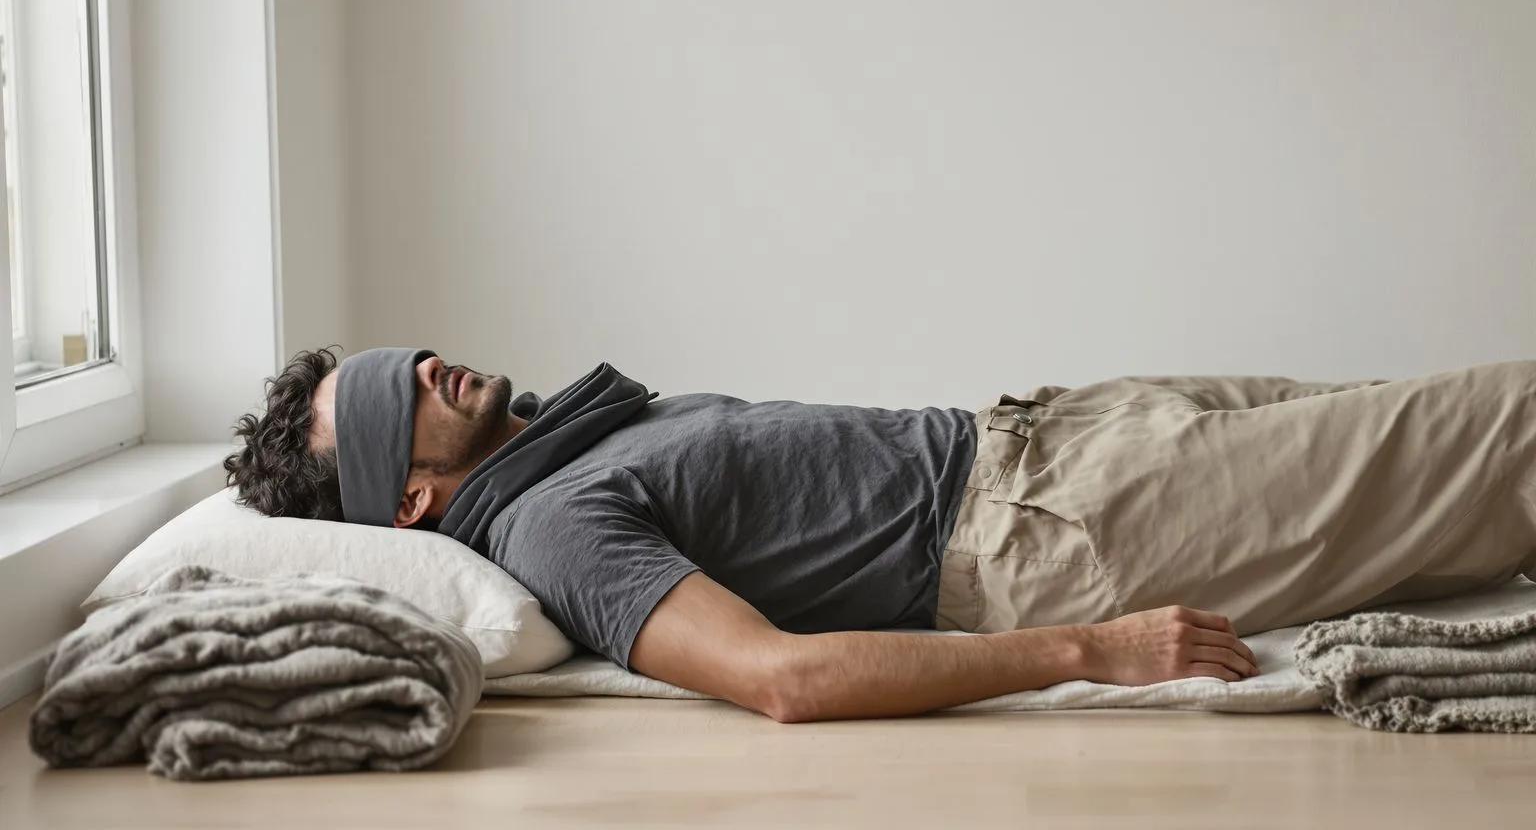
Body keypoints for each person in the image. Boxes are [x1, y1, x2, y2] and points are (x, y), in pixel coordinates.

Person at [225, 348, 1536, 722]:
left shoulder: (563, 447)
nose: (434, 363)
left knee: (1475, 471)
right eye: (399, 396)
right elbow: (780, 679)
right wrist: (1097, 648)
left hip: (1059, 435)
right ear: (406, 502)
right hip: (1063, 529)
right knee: (1511, 427)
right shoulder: (558, 528)